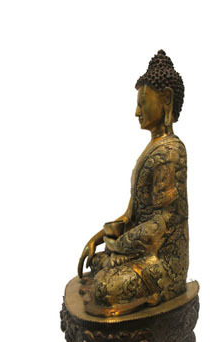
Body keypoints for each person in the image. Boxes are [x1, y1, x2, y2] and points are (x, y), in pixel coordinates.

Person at [77, 50, 189, 317]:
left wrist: (115, 246)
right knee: (97, 263)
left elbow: (159, 225)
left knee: (104, 287)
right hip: (143, 253)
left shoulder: (171, 152)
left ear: (166, 99)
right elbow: (132, 216)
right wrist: (100, 238)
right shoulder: (153, 149)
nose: (137, 111)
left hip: (164, 263)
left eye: (142, 103)